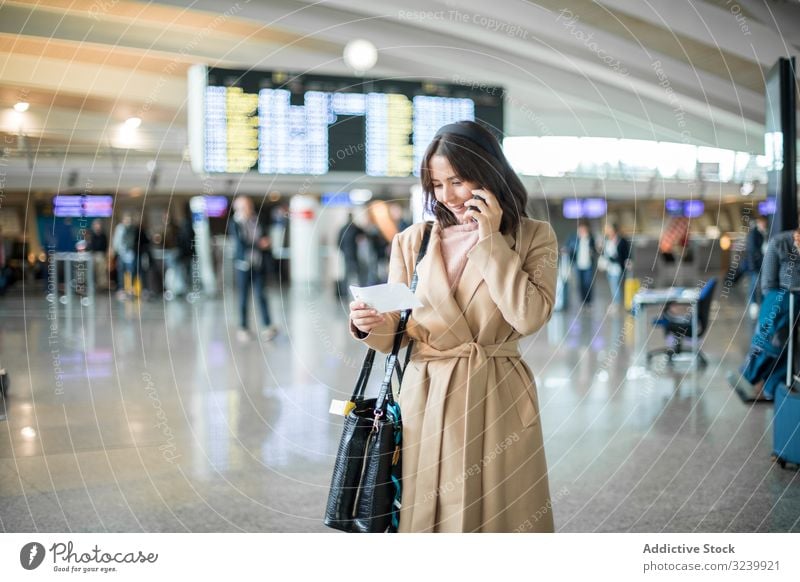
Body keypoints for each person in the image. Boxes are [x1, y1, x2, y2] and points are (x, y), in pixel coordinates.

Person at [348, 120, 558, 532]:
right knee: (429, 515)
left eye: (457, 181)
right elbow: (396, 330)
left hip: (496, 395)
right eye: (437, 185)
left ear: (489, 173)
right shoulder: (413, 241)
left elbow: (529, 316)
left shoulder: (534, 237)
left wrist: (491, 240)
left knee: (501, 517)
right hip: (425, 395)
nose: (448, 196)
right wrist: (367, 324)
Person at [728, 226, 800, 402]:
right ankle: (756, 376)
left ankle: (774, 385)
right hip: (782, 303)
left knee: (788, 347)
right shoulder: (780, 242)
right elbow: (768, 283)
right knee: (774, 340)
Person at [230, 196, 277, 342]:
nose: (248, 209)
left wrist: (266, 243)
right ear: (238, 208)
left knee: (261, 296)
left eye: (249, 205)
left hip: (258, 264)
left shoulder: (257, 220)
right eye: (244, 206)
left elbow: (264, 237)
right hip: (243, 266)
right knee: (243, 298)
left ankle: (268, 326)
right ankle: (243, 327)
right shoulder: (235, 223)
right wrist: (259, 244)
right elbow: (241, 243)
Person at [566, 219, 597, 307]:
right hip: (578, 264)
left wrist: (593, 251)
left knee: (588, 283)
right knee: (580, 284)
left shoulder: (590, 238)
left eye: (585, 229)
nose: (583, 231)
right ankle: (583, 301)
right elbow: (568, 247)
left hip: (588, 265)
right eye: (581, 229)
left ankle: (589, 302)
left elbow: (595, 250)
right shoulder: (574, 238)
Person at [601, 222, 630, 310]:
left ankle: (616, 304)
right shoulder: (607, 240)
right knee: (613, 286)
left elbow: (626, 253)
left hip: (617, 267)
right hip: (609, 267)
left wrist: (628, 261)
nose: (607, 231)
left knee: (615, 286)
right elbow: (604, 253)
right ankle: (617, 303)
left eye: (609, 229)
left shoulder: (621, 240)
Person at [744, 215, 768, 319]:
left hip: (762, 264)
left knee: (760, 284)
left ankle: (761, 303)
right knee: (754, 284)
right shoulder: (754, 234)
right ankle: (753, 304)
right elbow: (752, 251)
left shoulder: (763, 233)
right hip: (755, 265)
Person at [337, 213, 366, 288]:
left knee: (353, 274)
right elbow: (339, 243)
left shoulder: (346, 228)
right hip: (350, 254)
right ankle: (347, 292)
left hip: (351, 254)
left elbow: (338, 243)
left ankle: (347, 292)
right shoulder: (350, 228)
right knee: (350, 275)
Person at [87, 219, 109, 291]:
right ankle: (91, 284)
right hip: (92, 255)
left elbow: (105, 246)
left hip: (101, 255)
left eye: (99, 225)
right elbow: (89, 246)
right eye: (96, 225)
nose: (98, 226)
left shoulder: (103, 235)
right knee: (91, 270)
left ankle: (101, 286)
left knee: (101, 271)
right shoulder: (91, 235)